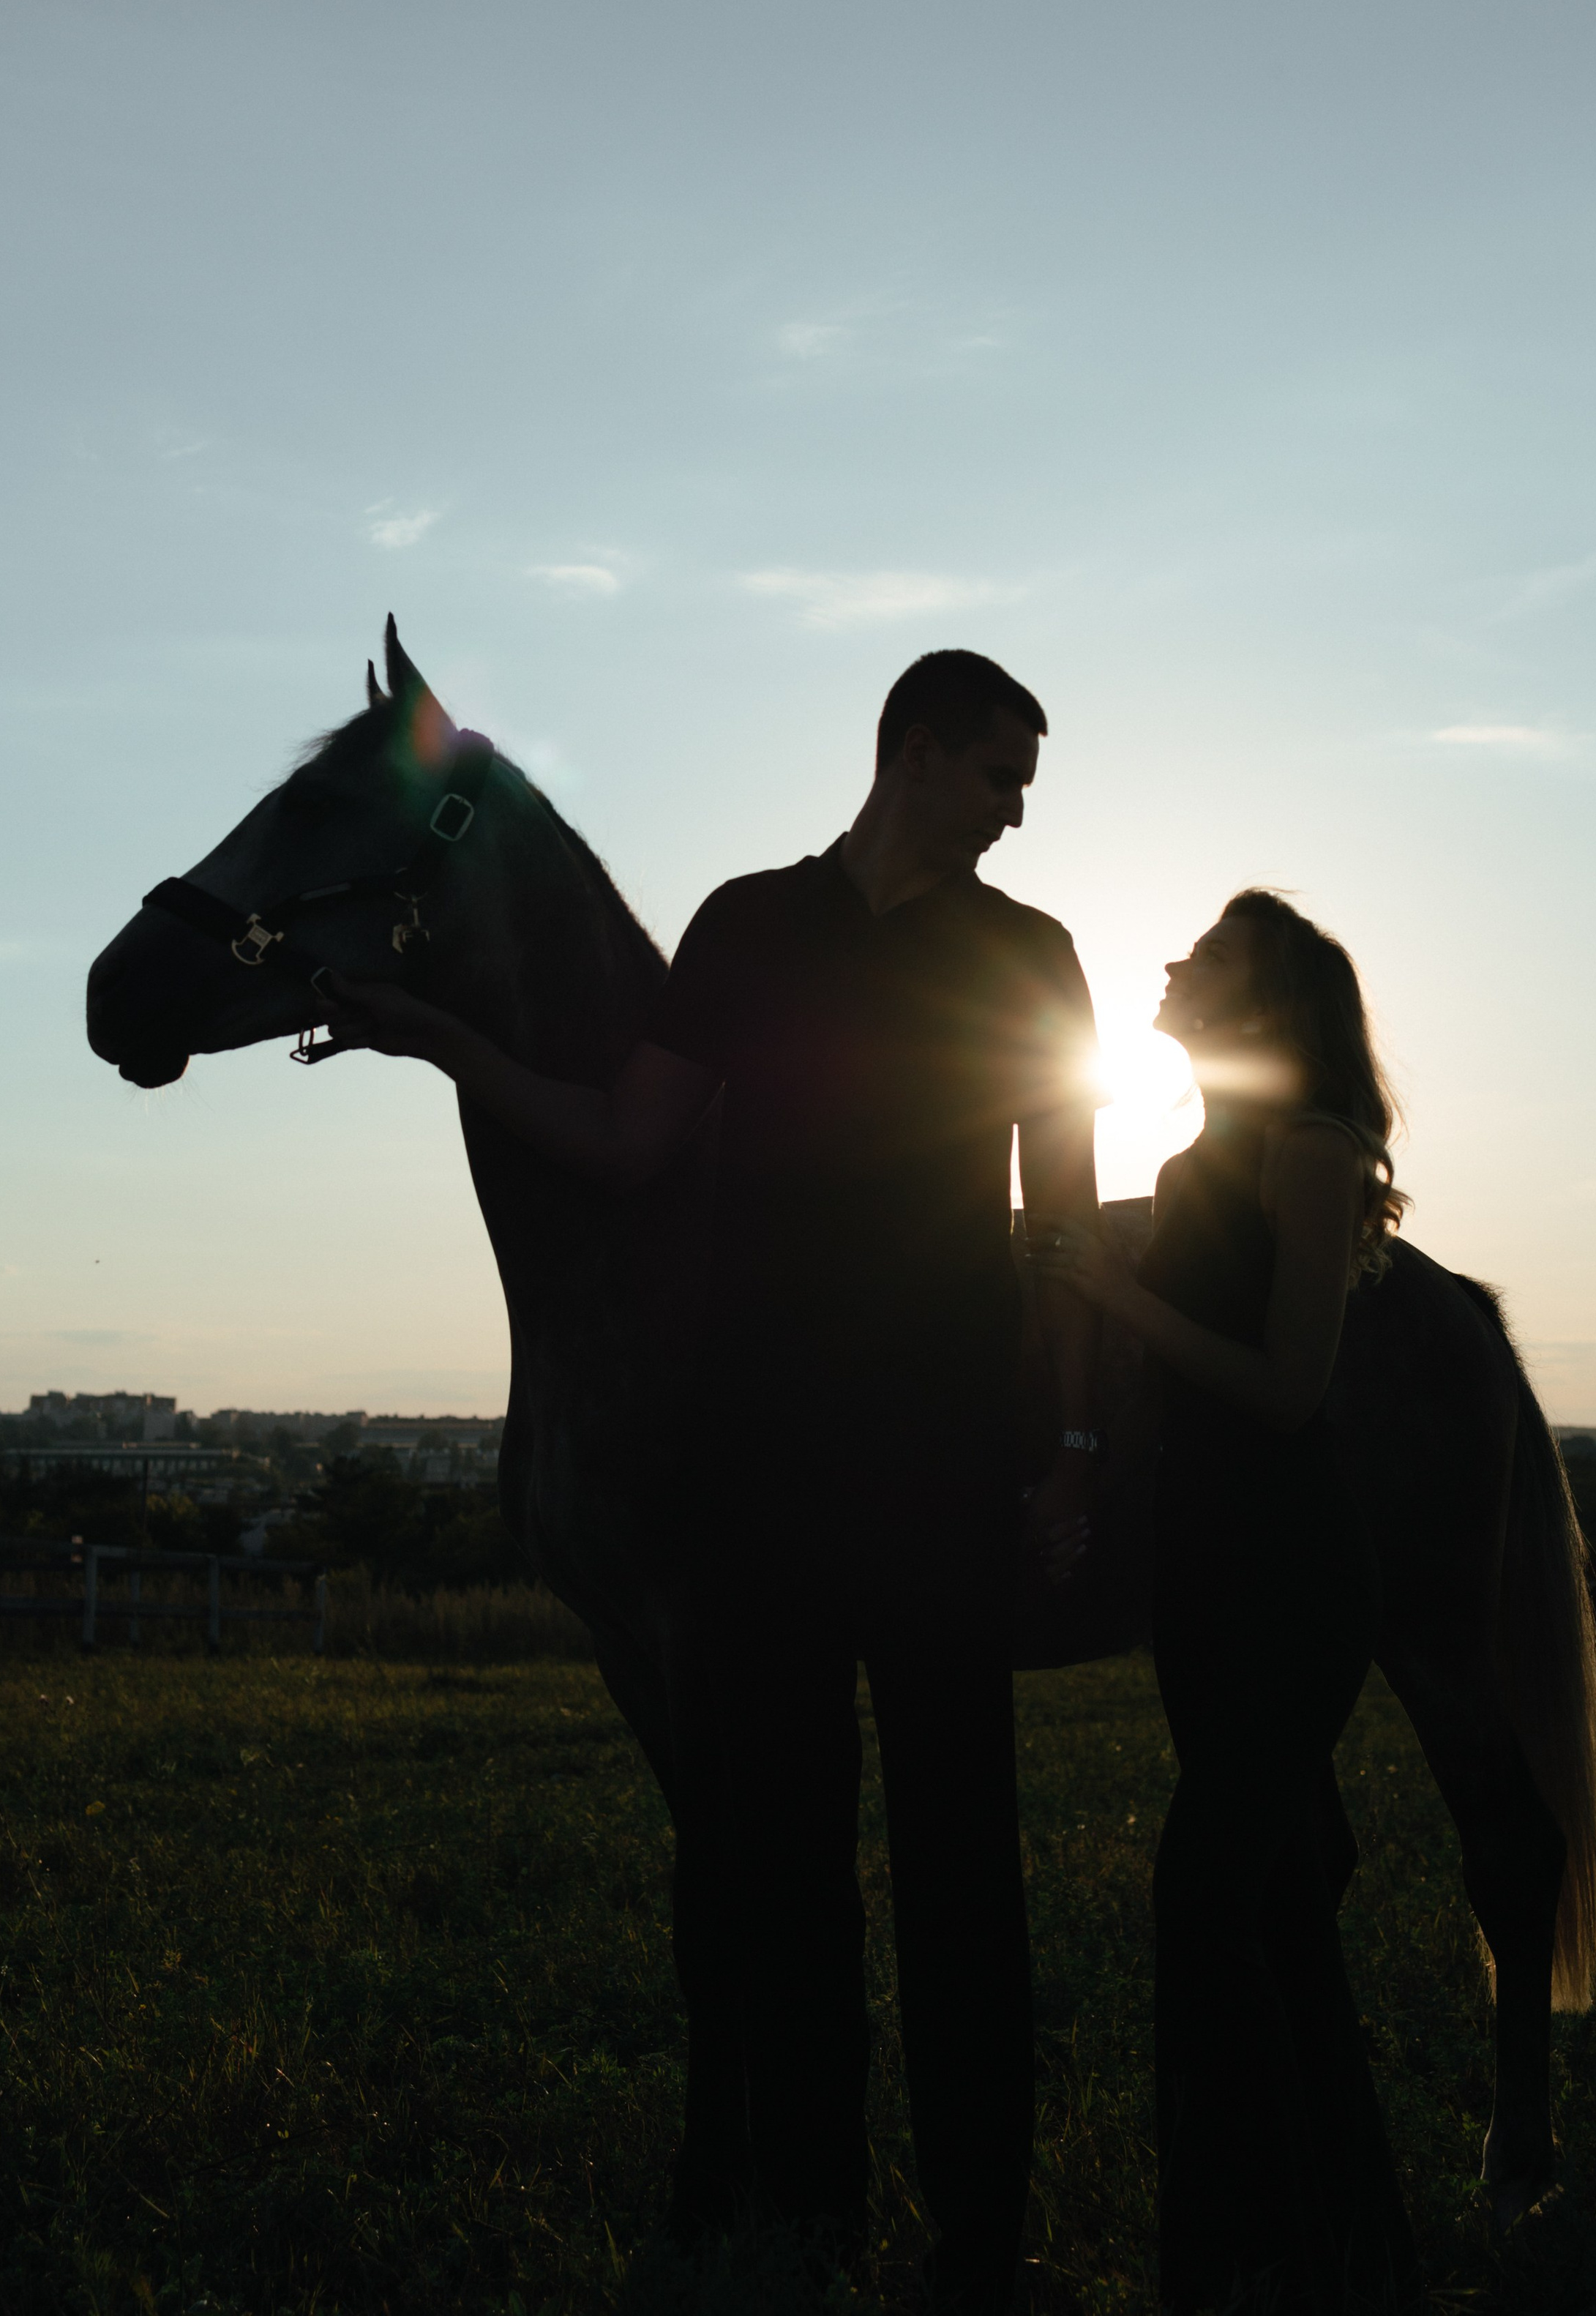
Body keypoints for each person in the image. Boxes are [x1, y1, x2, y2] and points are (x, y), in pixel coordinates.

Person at [317, 650, 1102, 2313]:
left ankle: (978, 2241)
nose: (1017, 811)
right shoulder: (749, 927)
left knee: (966, 1869)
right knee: (783, 1867)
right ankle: (811, 2222)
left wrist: (1072, 1446)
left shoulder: (1033, 956)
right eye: (998, 774)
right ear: (909, 751)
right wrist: (446, 1042)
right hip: (765, 1470)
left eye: (1022, 786)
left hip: (948, 1460)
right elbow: (619, 1138)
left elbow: (1063, 1235)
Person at [1030, 891, 1421, 2315]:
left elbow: (1282, 1388)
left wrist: (1115, 1294)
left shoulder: (1312, 1152)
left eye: (1204, 952)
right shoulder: (1195, 1151)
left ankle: (1231, 2252)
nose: (1172, 961)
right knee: (1271, 1915)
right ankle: (1336, 2252)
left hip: (1289, 1576)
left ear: (1255, 1001)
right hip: (1201, 1573)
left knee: (1199, 1902)